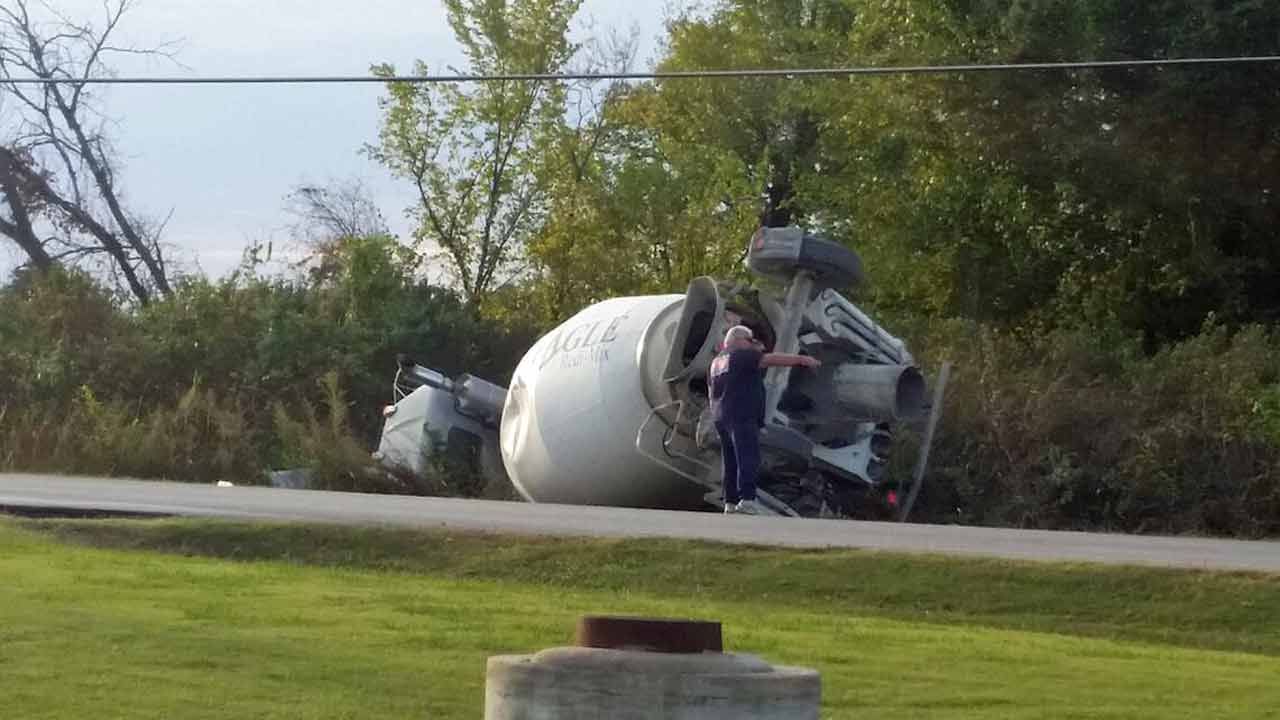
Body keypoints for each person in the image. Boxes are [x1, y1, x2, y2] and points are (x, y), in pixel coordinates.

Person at [709, 325, 821, 515]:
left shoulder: (717, 362)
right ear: (738, 340)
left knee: (730, 461)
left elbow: (711, 391)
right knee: (748, 457)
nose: (751, 344)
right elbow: (771, 359)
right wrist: (802, 359)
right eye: (749, 340)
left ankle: (730, 501)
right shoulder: (743, 355)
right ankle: (747, 499)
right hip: (742, 414)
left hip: (721, 415)